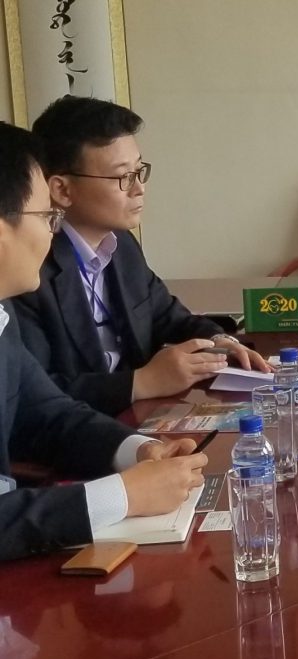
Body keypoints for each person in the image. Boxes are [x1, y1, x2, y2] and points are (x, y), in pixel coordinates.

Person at [0, 121, 207, 560]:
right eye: (47, 217)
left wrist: (139, 450)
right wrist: (123, 496)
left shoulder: (2, 318)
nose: (53, 232)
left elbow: (48, 414)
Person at [13, 96, 268, 417]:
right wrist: (141, 383)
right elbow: (34, 393)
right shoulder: (27, 269)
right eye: (124, 177)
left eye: (139, 171)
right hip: (78, 429)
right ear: (62, 190)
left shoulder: (120, 244)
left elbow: (168, 317)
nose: (139, 189)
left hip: (135, 417)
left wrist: (218, 341)